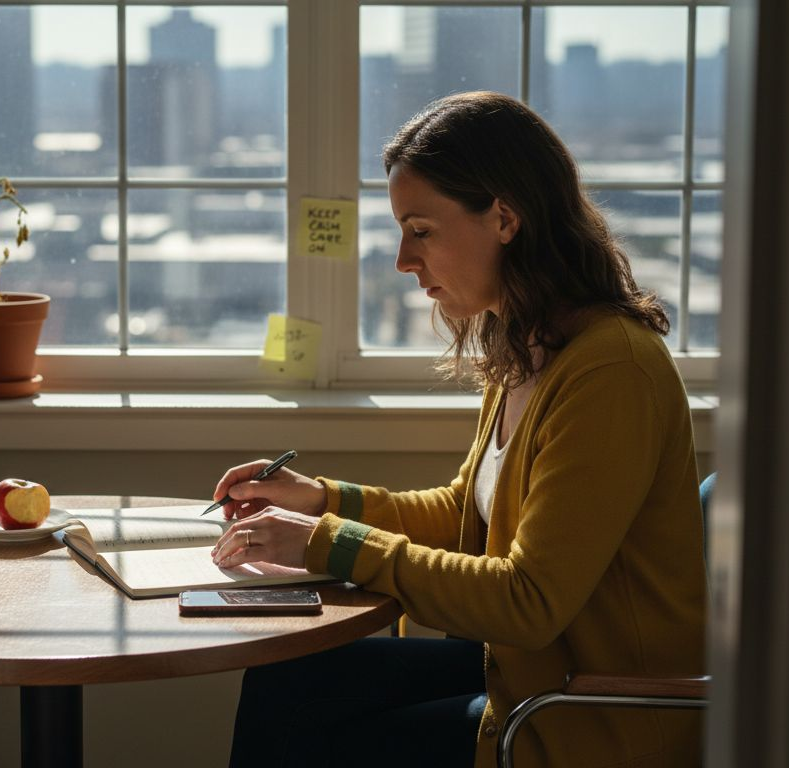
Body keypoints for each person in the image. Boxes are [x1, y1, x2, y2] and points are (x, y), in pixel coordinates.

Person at [208, 91, 706, 768]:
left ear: (504, 217)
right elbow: (466, 513)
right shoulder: (529, 343)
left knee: (322, 743)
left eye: (421, 230)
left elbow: (528, 601)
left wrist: (328, 543)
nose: (403, 261)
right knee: (287, 682)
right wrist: (322, 501)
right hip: (523, 673)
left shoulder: (611, 371)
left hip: (585, 714)